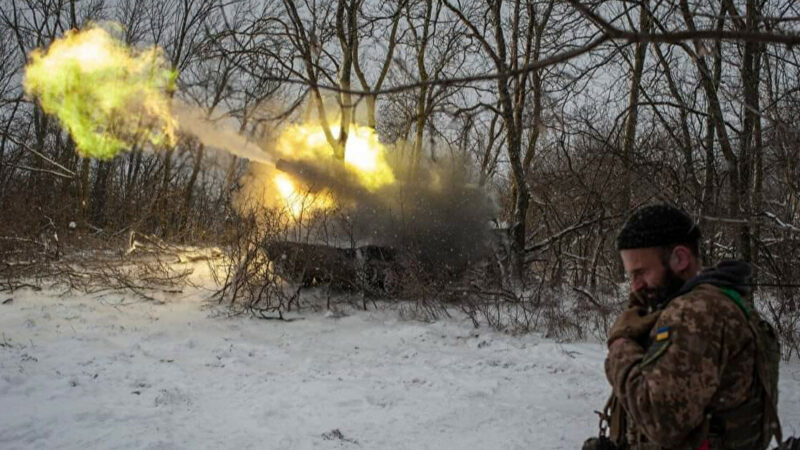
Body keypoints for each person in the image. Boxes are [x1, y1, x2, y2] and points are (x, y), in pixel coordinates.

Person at [584, 204, 782, 450]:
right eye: (631, 276)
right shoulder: (719, 301)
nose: (635, 286)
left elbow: (661, 420)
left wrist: (621, 344)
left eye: (641, 272)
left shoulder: (699, 313)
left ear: (680, 258)